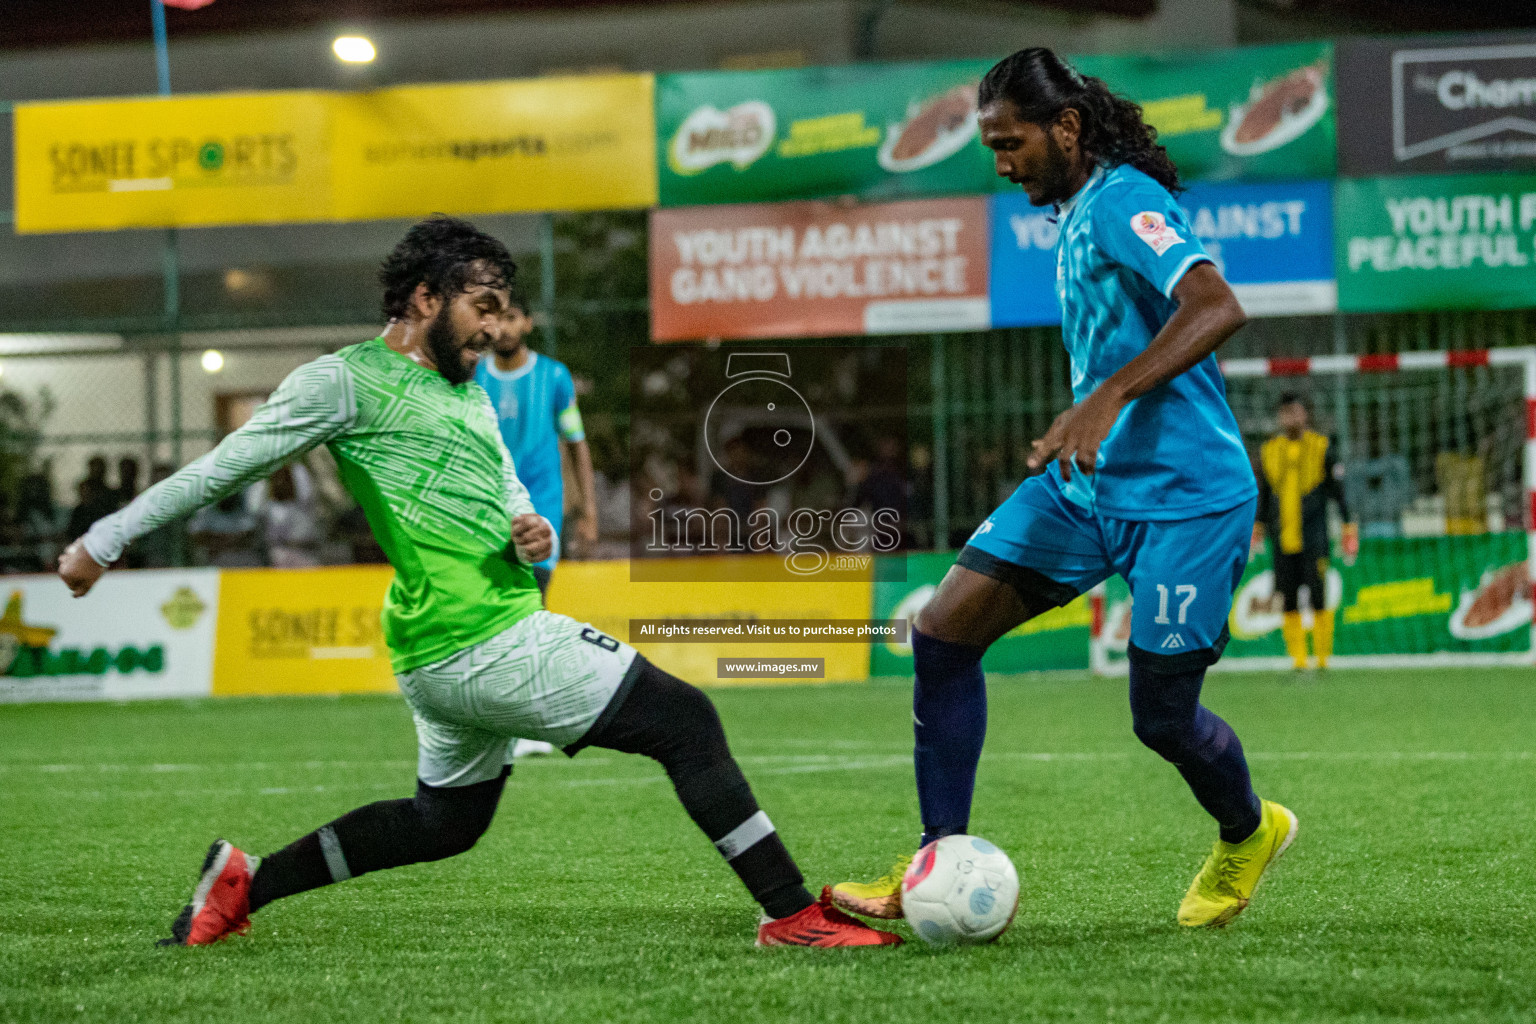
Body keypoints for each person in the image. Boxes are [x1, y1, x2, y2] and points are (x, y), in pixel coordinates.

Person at [57, 215, 898, 951]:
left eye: (503, 310)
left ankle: (247, 884)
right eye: (482, 307)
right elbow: (222, 467)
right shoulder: (344, 381)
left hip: (453, 641)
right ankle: (792, 913)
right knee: (684, 719)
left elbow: (506, 496)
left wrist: (529, 528)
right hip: (478, 638)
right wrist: (103, 541)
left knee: (445, 824)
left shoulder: (466, 396)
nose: (496, 331)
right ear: (424, 299)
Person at [831, 48, 1296, 931]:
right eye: (993, 149)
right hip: (1088, 487)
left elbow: (1217, 306)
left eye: (1012, 145)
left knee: (1162, 720)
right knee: (942, 634)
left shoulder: (1126, 202)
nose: (1002, 165)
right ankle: (937, 858)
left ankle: (1249, 830)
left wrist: (1106, 398)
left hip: (1188, 500)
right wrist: (1093, 415)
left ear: (1067, 128)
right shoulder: (1077, 210)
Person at [473, 290, 597, 598]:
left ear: (527, 323)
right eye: (497, 319)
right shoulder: (474, 377)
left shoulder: (554, 376)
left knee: (532, 596)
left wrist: (588, 512)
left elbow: (576, 442)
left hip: (542, 505)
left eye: (511, 318)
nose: (503, 328)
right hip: (487, 506)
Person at [1255, 394, 1357, 670]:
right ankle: (1298, 660)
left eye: (1296, 412)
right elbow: (1263, 495)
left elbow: (1339, 492)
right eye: (1286, 413)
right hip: (1282, 537)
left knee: (1317, 593)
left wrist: (1348, 527)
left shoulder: (1322, 447)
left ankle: (1323, 658)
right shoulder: (1269, 451)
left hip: (1314, 537)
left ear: (1305, 415)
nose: (1291, 418)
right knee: (1287, 597)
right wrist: (1258, 528)